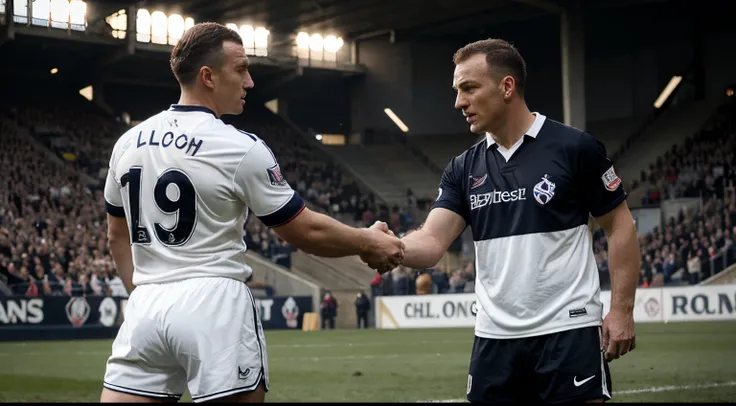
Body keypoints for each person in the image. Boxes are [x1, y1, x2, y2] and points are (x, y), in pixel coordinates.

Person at [100, 22, 404, 403]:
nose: (250, 82)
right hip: (214, 304)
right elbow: (304, 232)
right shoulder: (238, 147)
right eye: (241, 69)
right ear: (208, 77)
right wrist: (368, 242)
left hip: (145, 306)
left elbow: (116, 236)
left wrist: (145, 295)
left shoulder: (127, 143)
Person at [370, 38, 641, 403]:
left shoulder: (575, 148)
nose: (459, 102)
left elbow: (620, 226)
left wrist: (621, 310)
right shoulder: (463, 168)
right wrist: (391, 246)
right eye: (457, 90)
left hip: (568, 331)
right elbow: (432, 243)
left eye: (469, 88)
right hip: (494, 338)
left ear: (507, 87)